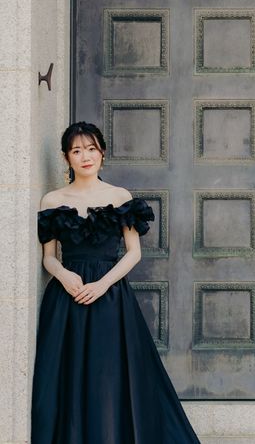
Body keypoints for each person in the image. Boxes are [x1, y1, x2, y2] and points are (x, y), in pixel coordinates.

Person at [32, 121, 201, 444]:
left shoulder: (120, 197)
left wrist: (102, 284)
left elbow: (133, 253)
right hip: (67, 299)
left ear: (103, 153)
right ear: (66, 157)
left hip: (109, 298)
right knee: (65, 378)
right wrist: (64, 275)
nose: (85, 156)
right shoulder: (52, 200)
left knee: (107, 378)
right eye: (76, 151)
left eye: (91, 149)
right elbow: (48, 257)